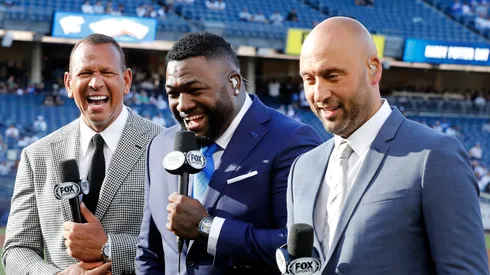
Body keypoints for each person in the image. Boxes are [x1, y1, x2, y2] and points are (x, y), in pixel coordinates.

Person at [286, 17, 488, 274]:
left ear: (374, 69)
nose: (319, 94)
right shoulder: (302, 168)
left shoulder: (434, 156)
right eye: (309, 79)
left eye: (332, 76)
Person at [135, 32, 321, 274]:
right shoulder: (160, 145)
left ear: (234, 83)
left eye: (195, 89)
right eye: (173, 93)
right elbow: (149, 252)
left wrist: (207, 228)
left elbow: (299, 247)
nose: (182, 104)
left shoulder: (291, 141)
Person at [2, 34, 163, 275]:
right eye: (85, 73)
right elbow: (17, 248)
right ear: (68, 83)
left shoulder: (163, 147)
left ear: (126, 80)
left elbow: (181, 245)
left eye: (107, 72)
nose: (96, 83)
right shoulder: (37, 156)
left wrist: (109, 248)